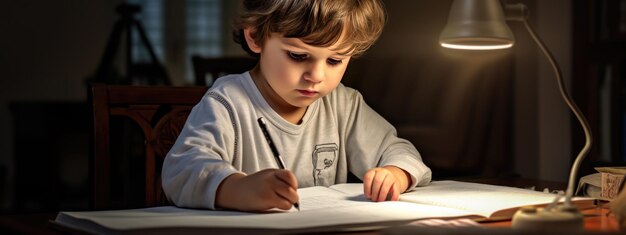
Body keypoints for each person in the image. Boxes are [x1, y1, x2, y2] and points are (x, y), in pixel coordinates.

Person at [162, 0, 431, 212]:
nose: (316, 76)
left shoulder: (342, 103)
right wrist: (238, 189)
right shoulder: (228, 101)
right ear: (255, 37)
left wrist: (395, 174)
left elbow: (399, 151)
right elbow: (181, 170)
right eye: (298, 55)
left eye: (335, 60)